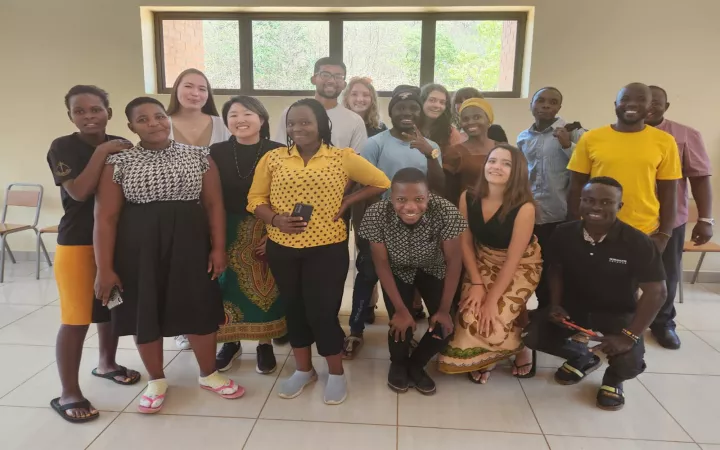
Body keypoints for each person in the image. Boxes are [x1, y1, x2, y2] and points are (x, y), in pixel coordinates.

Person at [94, 97, 244, 414]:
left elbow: (215, 205)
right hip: (138, 250)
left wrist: (218, 248)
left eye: (159, 116)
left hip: (191, 244)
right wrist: (104, 268)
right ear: (131, 126)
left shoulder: (200, 157)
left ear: (168, 119)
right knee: (144, 310)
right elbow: (105, 218)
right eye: (143, 119)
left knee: (199, 305)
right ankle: (156, 380)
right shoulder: (119, 163)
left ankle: (209, 374)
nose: (154, 123)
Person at [248, 98, 390, 405]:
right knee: (295, 309)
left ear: (321, 125)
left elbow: (381, 182)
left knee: (322, 312)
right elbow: (255, 199)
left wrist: (348, 201)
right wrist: (275, 219)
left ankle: (336, 373)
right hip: (282, 248)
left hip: (327, 249)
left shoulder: (342, 157)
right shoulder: (273, 159)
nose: (297, 128)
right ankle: (303, 370)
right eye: (292, 123)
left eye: (305, 122)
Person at [523, 177, 667, 411]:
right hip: (573, 309)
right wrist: (556, 304)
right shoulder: (564, 233)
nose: (596, 207)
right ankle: (583, 356)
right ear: (580, 203)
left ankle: (613, 380)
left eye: (606, 202)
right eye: (589, 200)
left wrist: (628, 336)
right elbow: (555, 269)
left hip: (617, 312)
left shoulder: (637, 242)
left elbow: (657, 292)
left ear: (619, 207)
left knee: (630, 361)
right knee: (533, 335)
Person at [46, 85, 141, 423]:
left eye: (95, 109)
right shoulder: (62, 147)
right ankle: (68, 392)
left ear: (108, 112)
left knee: (111, 308)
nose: (89, 116)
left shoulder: (123, 144)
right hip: (77, 243)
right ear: (71, 116)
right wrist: (103, 152)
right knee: (75, 319)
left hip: (117, 241)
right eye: (80, 111)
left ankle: (107, 363)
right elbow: (81, 191)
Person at [344, 85, 444, 359]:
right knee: (367, 276)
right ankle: (355, 330)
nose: (407, 113)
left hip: (416, 226)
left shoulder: (431, 146)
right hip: (380, 223)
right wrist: (365, 231)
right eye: (400, 108)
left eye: (413, 108)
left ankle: (403, 332)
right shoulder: (377, 143)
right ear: (392, 112)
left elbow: (438, 186)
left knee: (403, 279)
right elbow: (364, 186)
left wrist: (429, 154)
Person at [438, 144, 540, 383]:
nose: (496, 167)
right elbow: (465, 242)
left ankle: (519, 347)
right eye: (492, 161)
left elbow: (514, 260)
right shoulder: (468, 197)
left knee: (492, 316)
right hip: (481, 258)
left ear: (517, 172)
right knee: (470, 314)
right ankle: (489, 355)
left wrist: (491, 300)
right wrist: (476, 282)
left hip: (520, 265)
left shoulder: (525, 208)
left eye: (506, 164)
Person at [359, 168, 465, 395]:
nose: (409, 207)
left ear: (429, 196)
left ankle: (416, 364)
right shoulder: (376, 213)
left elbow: (454, 261)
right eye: (400, 199)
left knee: (445, 327)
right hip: (396, 270)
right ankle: (398, 362)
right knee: (400, 326)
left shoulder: (445, 210)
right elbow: (381, 264)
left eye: (418, 199)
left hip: (433, 267)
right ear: (390, 197)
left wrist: (445, 309)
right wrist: (400, 309)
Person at [209, 96, 287, 374]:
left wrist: (275, 230)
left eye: (247, 113)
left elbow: (286, 195)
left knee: (266, 287)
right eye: (233, 115)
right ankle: (230, 342)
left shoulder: (278, 151)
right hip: (225, 227)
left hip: (266, 226)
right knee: (225, 285)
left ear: (262, 119)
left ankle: (264, 342)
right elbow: (210, 196)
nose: (240, 119)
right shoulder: (215, 151)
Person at [567, 83, 682, 248]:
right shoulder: (591, 138)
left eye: (641, 100)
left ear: (649, 107)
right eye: (625, 99)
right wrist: (575, 225)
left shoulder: (665, 141)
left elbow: (669, 191)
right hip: (595, 227)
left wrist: (664, 235)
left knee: (638, 274)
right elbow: (576, 185)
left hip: (644, 230)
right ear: (615, 105)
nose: (632, 104)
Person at [167, 68, 231, 350]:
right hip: (175, 211)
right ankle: (185, 326)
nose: (195, 93)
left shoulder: (221, 124)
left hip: (217, 205)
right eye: (188, 86)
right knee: (182, 269)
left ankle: (222, 324)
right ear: (176, 90)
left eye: (202, 88)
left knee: (217, 268)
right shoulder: (162, 122)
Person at [645, 85, 713, 349]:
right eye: (644, 101)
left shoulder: (685, 135)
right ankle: (623, 322)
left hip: (668, 220)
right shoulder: (618, 134)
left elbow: (699, 178)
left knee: (666, 274)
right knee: (619, 273)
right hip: (626, 219)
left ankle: (663, 323)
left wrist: (706, 220)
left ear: (667, 106)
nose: (649, 106)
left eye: (656, 102)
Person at [517, 87, 585, 310]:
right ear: (532, 105)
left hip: (562, 214)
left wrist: (567, 145)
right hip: (531, 214)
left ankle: (559, 312)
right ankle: (542, 311)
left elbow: (587, 168)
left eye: (553, 102)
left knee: (559, 267)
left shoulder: (574, 133)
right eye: (541, 101)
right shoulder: (523, 138)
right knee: (535, 265)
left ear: (559, 107)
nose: (546, 105)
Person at [274, 57, 367, 151]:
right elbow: (281, 151)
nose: (331, 81)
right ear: (313, 79)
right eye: (325, 75)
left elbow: (357, 160)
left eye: (338, 76)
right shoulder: (291, 113)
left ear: (344, 84)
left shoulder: (355, 121)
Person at [443, 98, 498, 205]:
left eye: (477, 117)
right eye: (465, 119)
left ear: (489, 119)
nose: (471, 122)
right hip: (466, 212)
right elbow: (448, 193)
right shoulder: (454, 153)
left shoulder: (502, 149)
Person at [420, 84, 464, 158]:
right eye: (432, 100)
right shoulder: (410, 126)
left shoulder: (451, 133)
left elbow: (454, 163)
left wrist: (431, 153)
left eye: (442, 102)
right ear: (422, 101)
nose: (437, 105)